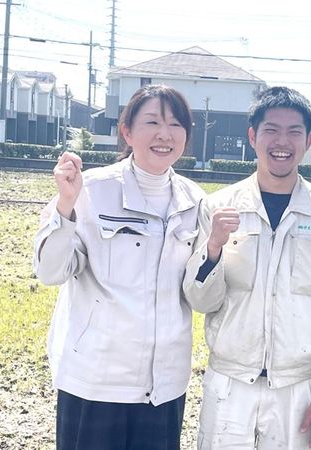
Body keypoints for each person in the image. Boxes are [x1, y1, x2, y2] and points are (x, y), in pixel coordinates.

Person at [32, 84, 206, 450]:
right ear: (126, 131)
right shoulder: (90, 190)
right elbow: (50, 272)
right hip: (96, 379)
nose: (165, 134)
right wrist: (65, 204)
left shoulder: (195, 201)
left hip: (163, 384)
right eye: (152, 122)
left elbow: (198, 287)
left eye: (176, 124)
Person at [182, 86, 311, 450]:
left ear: (309, 140)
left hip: (299, 387)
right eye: (271, 130)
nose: (282, 142)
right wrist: (213, 248)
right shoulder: (218, 207)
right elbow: (201, 301)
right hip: (230, 383)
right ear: (252, 137)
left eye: (294, 132)